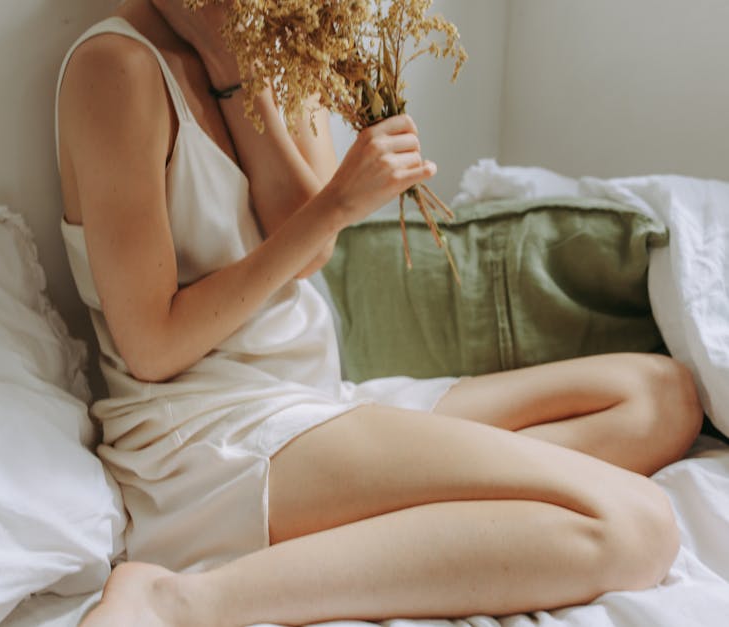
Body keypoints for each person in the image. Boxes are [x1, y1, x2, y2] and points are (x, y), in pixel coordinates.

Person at [54, 1, 703, 625]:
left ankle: (408, 516)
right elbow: (153, 347)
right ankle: (178, 602)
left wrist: (236, 74)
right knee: (637, 526)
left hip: (317, 394)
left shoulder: (281, 39)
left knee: (661, 395)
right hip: (210, 432)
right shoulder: (117, 69)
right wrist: (336, 203)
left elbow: (304, 250)